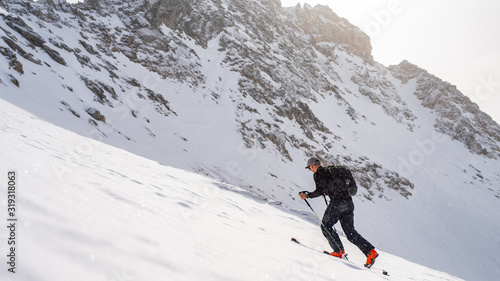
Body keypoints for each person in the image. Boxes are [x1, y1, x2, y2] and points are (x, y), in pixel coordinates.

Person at [299, 157, 379, 268]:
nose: (310, 170)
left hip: (337, 203)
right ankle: (370, 252)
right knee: (350, 232)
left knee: (326, 226)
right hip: (348, 203)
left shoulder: (319, 173)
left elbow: (319, 190)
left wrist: (307, 195)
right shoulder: (331, 172)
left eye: (309, 168)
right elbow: (327, 189)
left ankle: (338, 251)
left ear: (312, 166)